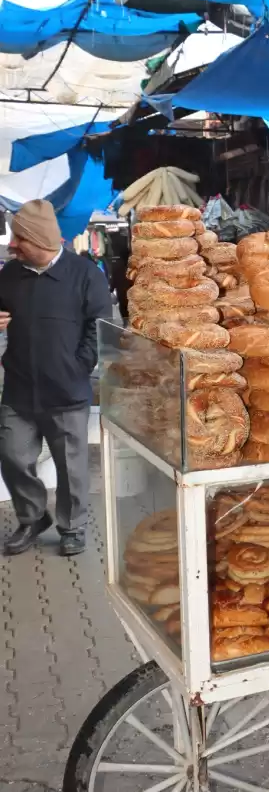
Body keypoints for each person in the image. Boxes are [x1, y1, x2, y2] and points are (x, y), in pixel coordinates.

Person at [0, 200, 111, 557]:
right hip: (18, 388)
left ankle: (72, 526)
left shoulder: (86, 275)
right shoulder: (8, 275)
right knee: (11, 454)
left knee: (71, 467)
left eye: (19, 239)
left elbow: (100, 330)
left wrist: (76, 368)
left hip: (67, 391)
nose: (12, 244)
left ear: (41, 241)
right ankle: (32, 518)